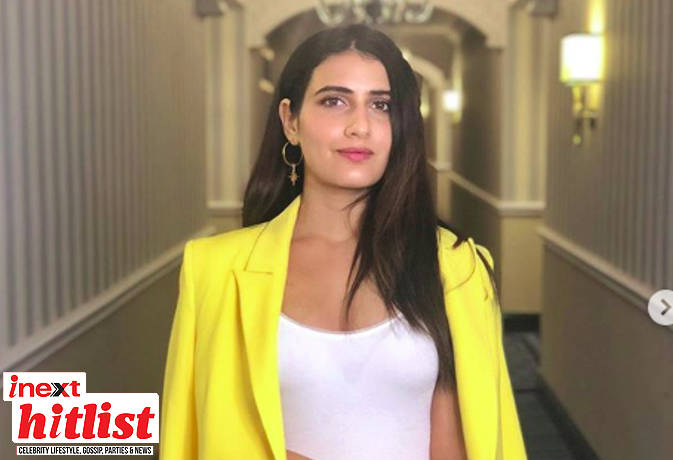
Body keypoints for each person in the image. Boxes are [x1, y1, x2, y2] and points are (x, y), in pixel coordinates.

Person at [159, 24, 527, 460]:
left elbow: (461, 447)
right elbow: (188, 440)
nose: (360, 126)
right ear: (290, 121)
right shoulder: (214, 271)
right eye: (335, 101)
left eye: (381, 105)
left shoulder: (457, 267)